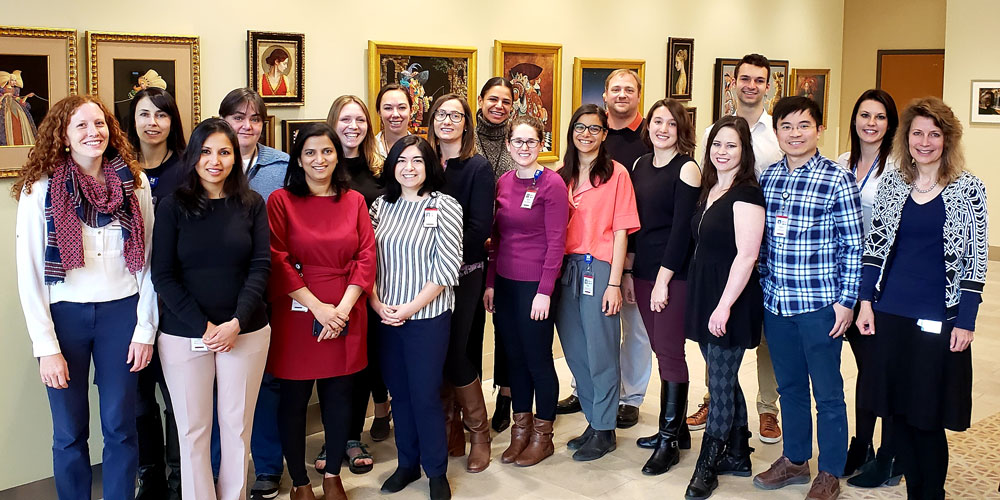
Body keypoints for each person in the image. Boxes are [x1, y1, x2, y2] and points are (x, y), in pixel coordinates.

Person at [14, 94, 157, 500]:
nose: (93, 133)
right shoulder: (39, 188)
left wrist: (145, 329)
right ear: (63, 136)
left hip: (122, 316)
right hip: (64, 320)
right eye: (81, 125)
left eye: (100, 124)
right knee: (68, 431)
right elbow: (30, 273)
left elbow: (148, 261)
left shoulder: (134, 182)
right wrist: (46, 348)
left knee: (120, 425)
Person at [856, 97, 987, 499]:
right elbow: (874, 249)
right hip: (890, 313)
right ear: (906, 137)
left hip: (939, 320)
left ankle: (932, 493)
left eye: (934, 134)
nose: (925, 142)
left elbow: (976, 262)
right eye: (917, 133)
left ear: (948, 139)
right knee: (897, 414)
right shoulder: (893, 183)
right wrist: (865, 302)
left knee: (927, 418)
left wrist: (965, 320)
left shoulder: (969, 189)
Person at [151, 118, 271, 500]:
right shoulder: (172, 207)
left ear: (236, 157)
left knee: (237, 427)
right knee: (192, 431)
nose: (214, 161)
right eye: (205, 151)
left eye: (224, 152)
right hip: (185, 334)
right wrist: (204, 326)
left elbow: (260, 266)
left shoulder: (251, 205)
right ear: (193, 157)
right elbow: (163, 275)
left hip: (246, 331)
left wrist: (236, 322)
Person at [752, 96, 863, 500]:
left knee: (828, 391)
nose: (795, 133)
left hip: (820, 305)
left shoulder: (837, 178)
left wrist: (847, 301)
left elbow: (854, 245)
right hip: (777, 303)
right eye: (787, 126)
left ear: (819, 129)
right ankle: (796, 460)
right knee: (790, 387)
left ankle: (830, 471)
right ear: (776, 131)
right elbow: (761, 240)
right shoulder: (768, 178)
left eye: (803, 125)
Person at [267, 123, 376, 500]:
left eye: (327, 151)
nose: (319, 159)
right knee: (294, 400)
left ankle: (332, 475)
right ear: (298, 158)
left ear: (337, 155)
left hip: (347, 309)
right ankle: (299, 481)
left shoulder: (353, 201)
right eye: (310, 152)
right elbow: (277, 259)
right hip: (298, 312)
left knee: (339, 396)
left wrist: (341, 311)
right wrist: (318, 309)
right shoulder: (281, 201)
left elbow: (366, 257)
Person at [690, 53, 784, 446]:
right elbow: (708, 182)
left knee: (763, 338)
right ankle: (717, 399)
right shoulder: (715, 129)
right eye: (744, 78)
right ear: (733, 82)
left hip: (768, 244)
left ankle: (767, 409)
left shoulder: (778, 133)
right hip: (722, 249)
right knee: (720, 344)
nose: (750, 85)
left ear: (769, 85)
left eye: (758, 80)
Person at [369, 135, 462, 500]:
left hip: (427, 318)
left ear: (430, 166)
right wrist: (377, 304)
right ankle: (407, 464)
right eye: (402, 160)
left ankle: (435, 471)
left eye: (418, 160)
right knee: (400, 395)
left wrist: (408, 309)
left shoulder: (446, 206)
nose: (409, 167)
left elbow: (446, 268)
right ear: (392, 165)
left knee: (424, 394)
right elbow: (368, 262)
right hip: (385, 315)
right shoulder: (380, 206)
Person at [557, 69, 650, 430]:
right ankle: (593, 415)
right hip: (567, 270)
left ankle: (604, 428)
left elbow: (622, 231)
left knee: (602, 351)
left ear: (604, 134)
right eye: (580, 127)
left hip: (599, 269)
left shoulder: (617, 174)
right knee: (575, 349)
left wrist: (615, 282)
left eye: (595, 128)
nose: (587, 134)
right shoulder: (559, 175)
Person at [682, 115, 765, 499]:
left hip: (729, 297)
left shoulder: (747, 193)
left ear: (744, 151)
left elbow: (747, 256)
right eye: (717, 144)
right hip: (705, 291)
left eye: (731, 145)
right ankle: (738, 452)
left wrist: (724, 306)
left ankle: (708, 463)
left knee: (718, 381)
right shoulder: (711, 187)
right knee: (723, 377)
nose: (722, 152)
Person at [483, 115, 568, 467]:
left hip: (537, 285)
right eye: (517, 141)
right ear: (508, 145)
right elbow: (496, 238)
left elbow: (556, 241)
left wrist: (545, 290)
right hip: (504, 282)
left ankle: (542, 436)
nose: (523, 148)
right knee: (513, 358)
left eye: (530, 142)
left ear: (541, 145)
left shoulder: (552, 185)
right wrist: (490, 283)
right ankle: (520, 431)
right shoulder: (503, 182)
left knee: (537, 359)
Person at [218, 87, 288, 499]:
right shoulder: (206, 160)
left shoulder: (280, 166)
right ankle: (221, 470)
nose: (246, 125)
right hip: (217, 289)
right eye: (238, 117)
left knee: (267, 381)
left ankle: (266, 466)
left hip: (267, 286)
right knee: (216, 386)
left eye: (255, 118)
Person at [311, 95, 387, 477]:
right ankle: (333, 437)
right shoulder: (320, 168)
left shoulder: (379, 171)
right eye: (345, 119)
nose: (353, 126)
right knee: (331, 365)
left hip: (372, 282)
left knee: (361, 364)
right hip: (329, 285)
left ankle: (352, 435)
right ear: (332, 123)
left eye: (360, 119)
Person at [625, 98, 700, 476]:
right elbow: (635, 225)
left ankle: (669, 441)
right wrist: (629, 271)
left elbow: (682, 232)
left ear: (680, 129)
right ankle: (679, 430)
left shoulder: (687, 169)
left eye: (671, 123)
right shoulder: (639, 165)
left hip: (673, 275)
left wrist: (664, 281)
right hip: (642, 272)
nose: (663, 129)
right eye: (657, 121)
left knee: (670, 352)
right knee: (658, 348)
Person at [835, 89, 901, 487]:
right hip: (848, 278)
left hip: (886, 282)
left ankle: (891, 452)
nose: (871, 123)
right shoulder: (842, 163)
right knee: (864, 367)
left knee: (884, 367)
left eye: (879, 117)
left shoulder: (898, 166)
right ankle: (862, 444)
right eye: (864, 115)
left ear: (890, 124)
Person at [427, 94, 496, 473]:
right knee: (435, 353)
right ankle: (449, 428)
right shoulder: (420, 160)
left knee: (457, 352)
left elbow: (479, 228)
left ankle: (479, 433)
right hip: (422, 279)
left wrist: (441, 259)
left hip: (462, 274)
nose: (447, 121)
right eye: (441, 114)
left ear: (467, 122)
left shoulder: (477, 167)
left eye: (456, 115)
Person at [127, 86, 187, 499]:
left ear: (172, 122)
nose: (153, 122)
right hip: (127, 304)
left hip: (175, 301)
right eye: (145, 114)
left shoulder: (187, 170)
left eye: (162, 115)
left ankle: (180, 476)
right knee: (135, 397)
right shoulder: (116, 170)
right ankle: (149, 477)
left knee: (179, 397)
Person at [473, 77, 516, 432]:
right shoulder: (464, 139)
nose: (498, 106)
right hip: (470, 249)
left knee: (505, 328)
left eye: (505, 101)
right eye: (493, 99)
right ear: (480, 100)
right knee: (469, 331)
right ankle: (466, 401)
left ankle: (505, 394)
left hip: (506, 249)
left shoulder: (516, 142)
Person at [374, 83, 412, 159]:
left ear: (411, 111)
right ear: (379, 112)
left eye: (401, 107)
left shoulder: (420, 150)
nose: (395, 114)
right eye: (388, 108)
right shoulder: (369, 149)